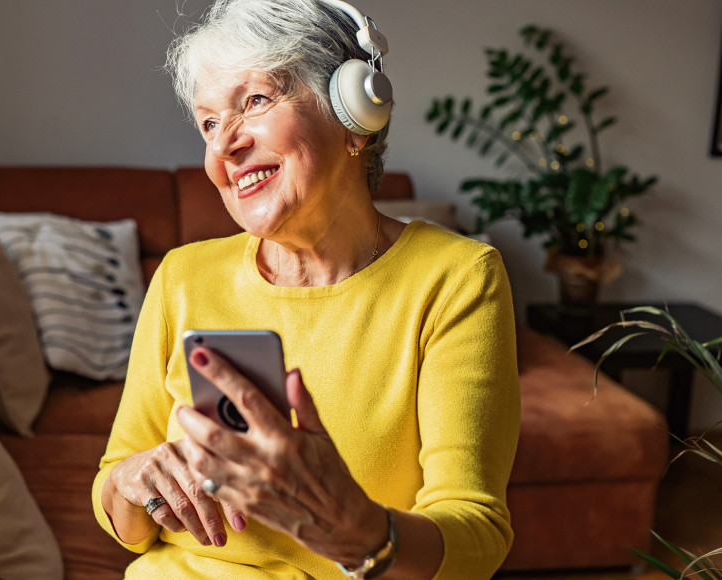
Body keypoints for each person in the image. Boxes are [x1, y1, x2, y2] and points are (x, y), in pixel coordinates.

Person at [91, 0, 520, 578]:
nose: (224, 148)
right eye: (209, 123)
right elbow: (117, 501)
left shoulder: (454, 279)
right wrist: (133, 482)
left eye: (256, 101)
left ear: (354, 117)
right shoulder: (181, 277)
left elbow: (476, 533)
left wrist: (360, 531)